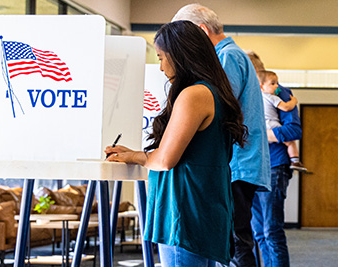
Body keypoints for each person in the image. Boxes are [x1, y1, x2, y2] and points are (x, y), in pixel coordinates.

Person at [105, 20, 247, 266]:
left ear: (181, 55)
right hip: (203, 208)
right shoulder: (213, 91)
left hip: (184, 212)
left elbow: (165, 159)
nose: (160, 67)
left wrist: (135, 156)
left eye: (161, 57)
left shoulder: (194, 95)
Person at [171, 4, 272, 267]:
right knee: (235, 240)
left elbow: (216, 108)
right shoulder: (232, 56)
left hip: (235, 164)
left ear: (202, 31)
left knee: (234, 242)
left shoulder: (226, 58)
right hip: (238, 163)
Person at [246, 51, 301, 267]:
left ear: (257, 71)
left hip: (274, 166)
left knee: (271, 231)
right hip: (250, 169)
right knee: (258, 233)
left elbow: (294, 130)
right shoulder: (243, 94)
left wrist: (262, 136)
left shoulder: (279, 93)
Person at [259, 71, 307, 172]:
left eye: (276, 83)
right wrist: (294, 101)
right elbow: (286, 107)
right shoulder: (272, 97)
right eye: (273, 84)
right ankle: (295, 160)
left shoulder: (256, 97)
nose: (277, 86)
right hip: (272, 124)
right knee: (290, 143)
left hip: (262, 126)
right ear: (262, 86)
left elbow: (293, 130)